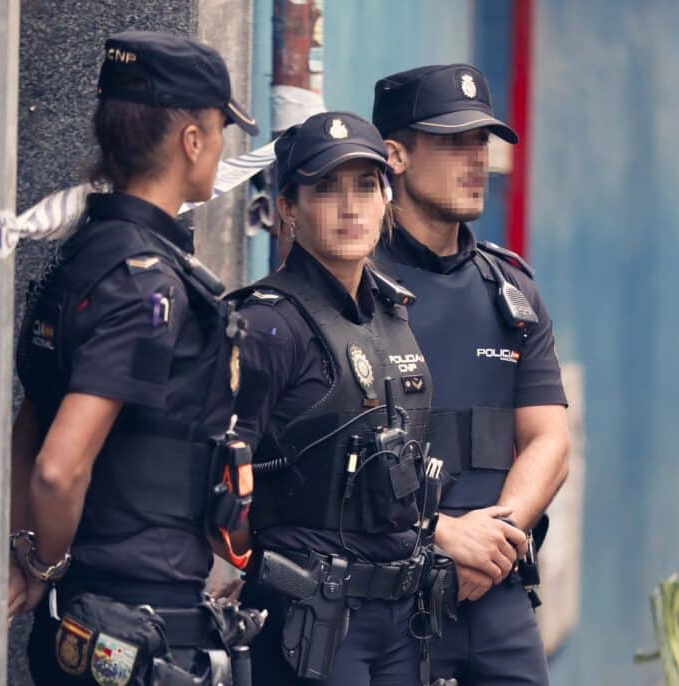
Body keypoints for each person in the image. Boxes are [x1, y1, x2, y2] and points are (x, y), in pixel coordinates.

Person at [9, 30, 263, 686]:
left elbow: (31, 418)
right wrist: (45, 567)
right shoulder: (147, 283)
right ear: (192, 141)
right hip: (133, 623)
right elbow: (57, 469)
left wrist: (29, 554)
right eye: (219, 129)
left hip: (99, 619)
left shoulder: (83, 256)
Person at [231, 111, 456, 686]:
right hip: (314, 624)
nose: (350, 206)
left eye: (365, 186)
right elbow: (213, 480)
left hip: (402, 620)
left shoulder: (391, 314)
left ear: (386, 201)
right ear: (288, 207)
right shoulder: (266, 325)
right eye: (326, 188)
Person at [371, 64, 571, 685]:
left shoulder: (510, 289)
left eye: (480, 142)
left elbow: (550, 441)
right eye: (452, 141)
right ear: (395, 155)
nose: (474, 159)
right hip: (385, 595)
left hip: (496, 596)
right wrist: (444, 538)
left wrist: (496, 541)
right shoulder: (350, 286)